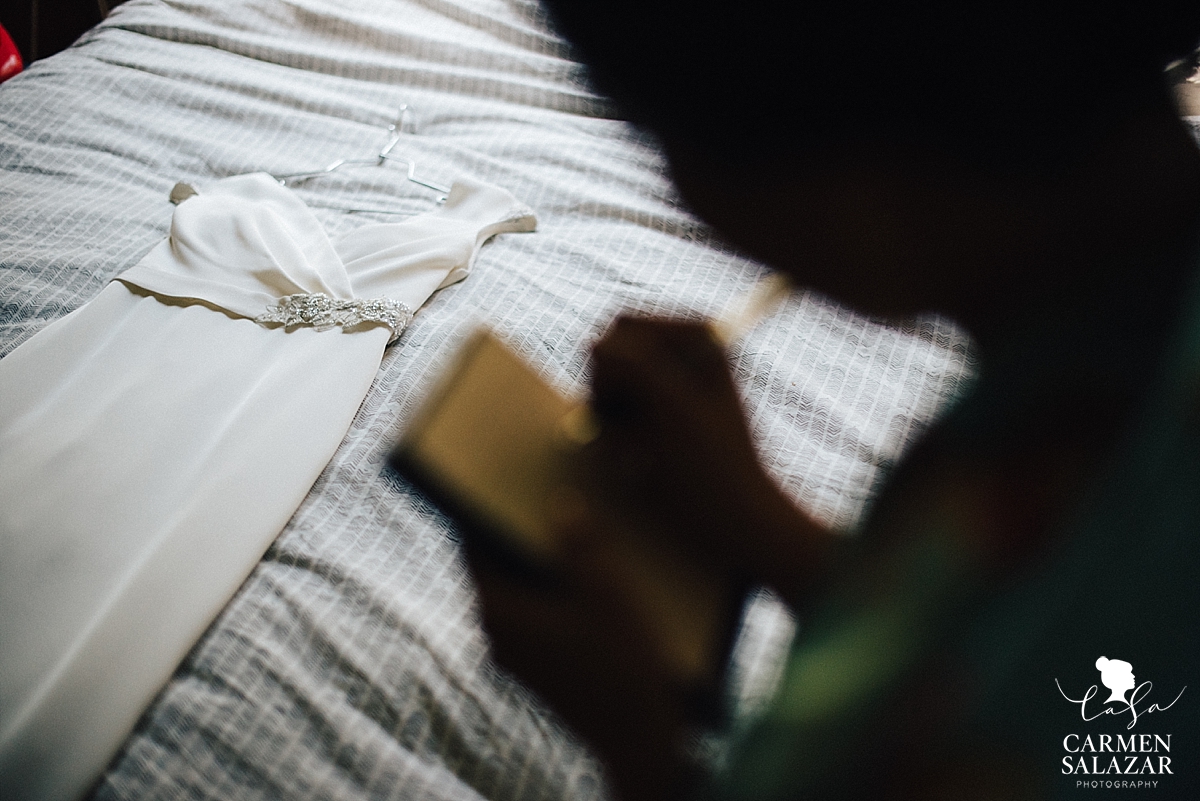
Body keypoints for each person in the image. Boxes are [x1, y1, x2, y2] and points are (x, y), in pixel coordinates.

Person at [466, 2, 1200, 798]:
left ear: (863, 199)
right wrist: (770, 529)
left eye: (668, 142)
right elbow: (970, 637)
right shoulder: (1107, 332)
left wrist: (643, 749)